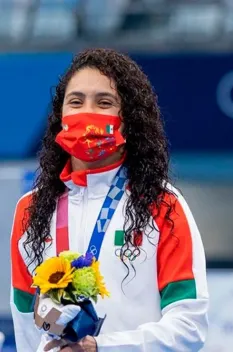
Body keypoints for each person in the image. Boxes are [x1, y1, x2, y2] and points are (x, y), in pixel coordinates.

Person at [10, 49, 209, 352]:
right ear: (60, 117)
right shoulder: (31, 210)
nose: (87, 113)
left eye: (104, 103)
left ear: (128, 121)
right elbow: (26, 326)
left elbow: (189, 327)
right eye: (75, 102)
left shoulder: (162, 205)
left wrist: (101, 347)